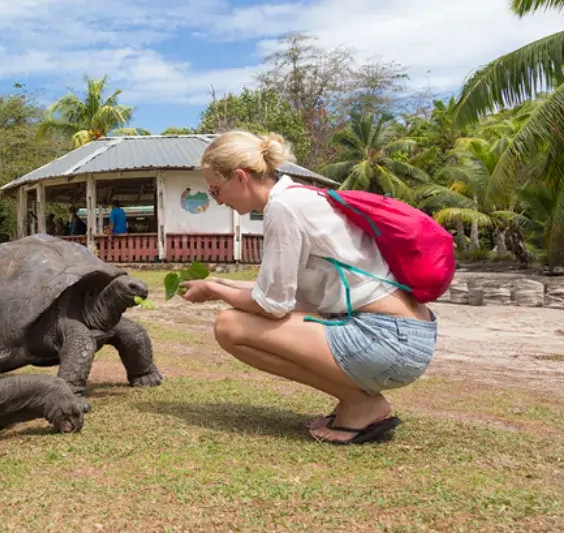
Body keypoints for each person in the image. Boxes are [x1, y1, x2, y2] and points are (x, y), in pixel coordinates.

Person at [180, 130, 438, 445]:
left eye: (215, 190)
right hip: (406, 336)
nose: (217, 200)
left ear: (240, 177)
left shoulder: (283, 208)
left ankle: (361, 403)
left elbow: (272, 306)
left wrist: (216, 292)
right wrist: (217, 283)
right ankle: (355, 401)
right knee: (236, 320)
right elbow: (284, 296)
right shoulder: (300, 197)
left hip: (386, 339)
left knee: (229, 325)